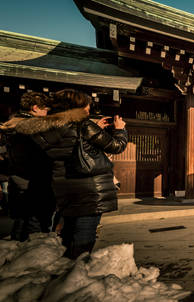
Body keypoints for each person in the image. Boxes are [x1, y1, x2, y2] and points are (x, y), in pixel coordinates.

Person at [28, 89, 127, 258]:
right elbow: (116, 146)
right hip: (89, 187)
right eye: (87, 105)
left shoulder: (46, 127)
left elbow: (71, 144)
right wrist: (119, 130)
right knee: (85, 233)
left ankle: (65, 268)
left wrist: (96, 127)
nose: (89, 108)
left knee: (69, 230)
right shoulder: (83, 125)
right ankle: (76, 271)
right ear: (78, 106)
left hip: (63, 185)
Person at [0, 92, 56, 241]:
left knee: (21, 223)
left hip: (17, 179)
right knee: (36, 227)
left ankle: (15, 258)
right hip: (33, 181)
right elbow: (39, 156)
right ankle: (32, 262)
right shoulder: (33, 127)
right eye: (45, 110)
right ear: (35, 108)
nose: (46, 114)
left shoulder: (12, 124)